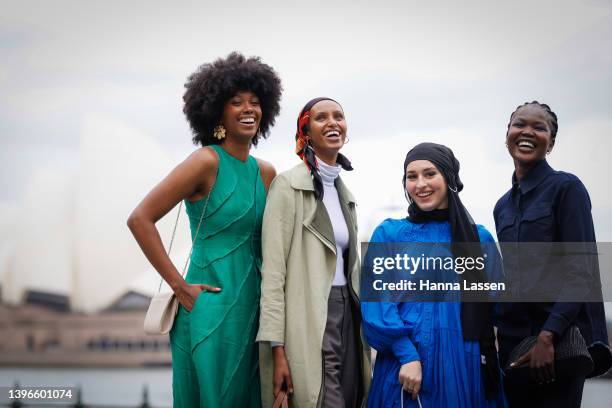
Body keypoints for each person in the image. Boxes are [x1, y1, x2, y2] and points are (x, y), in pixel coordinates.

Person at [127, 52, 282, 407]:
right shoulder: (205, 161)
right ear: (216, 111)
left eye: (255, 102)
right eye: (236, 102)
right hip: (208, 304)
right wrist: (179, 287)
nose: (248, 109)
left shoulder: (266, 173)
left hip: (255, 307)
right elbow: (140, 219)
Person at [361, 142, 507, 407]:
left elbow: (498, 307)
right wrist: (407, 356)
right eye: (411, 176)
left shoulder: (480, 240)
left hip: (464, 367)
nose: (420, 184)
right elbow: (376, 304)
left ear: (449, 178)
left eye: (430, 174)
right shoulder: (389, 235)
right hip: (405, 369)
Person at [494, 101, 612, 407]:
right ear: (507, 132)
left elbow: (581, 270)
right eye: (519, 124)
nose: (527, 132)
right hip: (514, 346)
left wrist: (549, 335)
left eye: (539, 127)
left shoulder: (566, 189)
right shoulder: (502, 206)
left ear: (551, 143)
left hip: (558, 345)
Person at [256, 97, 371, 407]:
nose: (333, 122)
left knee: (350, 396)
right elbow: (273, 273)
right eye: (322, 118)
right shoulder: (287, 186)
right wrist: (276, 348)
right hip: (309, 317)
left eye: (339, 116)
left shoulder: (345, 195)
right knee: (324, 399)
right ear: (306, 132)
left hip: (348, 312)